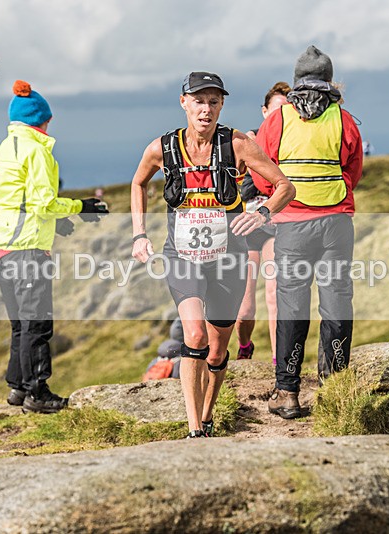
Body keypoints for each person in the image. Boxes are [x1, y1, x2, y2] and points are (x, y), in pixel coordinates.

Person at [131, 72, 295, 438]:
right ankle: (194, 430)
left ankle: (207, 414)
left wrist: (262, 213)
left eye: (214, 102)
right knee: (194, 335)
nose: (206, 109)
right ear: (184, 102)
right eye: (199, 101)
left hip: (228, 257)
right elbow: (138, 182)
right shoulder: (162, 148)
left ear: (222, 105)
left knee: (218, 350)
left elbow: (285, 185)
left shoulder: (237, 144)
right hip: (182, 255)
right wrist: (139, 234)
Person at [254, 46, 363, 419]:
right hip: (336, 224)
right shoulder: (344, 119)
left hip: (291, 227)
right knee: (336, 304)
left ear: (297, 81)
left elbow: (259, 169)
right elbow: (354, 171)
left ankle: (287, 394)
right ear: (330, 81)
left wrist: (278, 198)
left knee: (292, 307)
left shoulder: (278, 120)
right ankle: (334, 393)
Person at [0, 81, 108, 414]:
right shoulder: (37, 150)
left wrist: (58, 222)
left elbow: (17, 201)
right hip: (28, 249)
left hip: (1, 247)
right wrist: (80, 207)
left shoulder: (2, 151)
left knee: (20, 323)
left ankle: (17, 386)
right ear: (40, 120)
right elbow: (42, 203)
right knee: (37, 323)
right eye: (48, 120)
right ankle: (37, 394)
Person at [235, 81, 291, 363]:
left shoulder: (294, 143)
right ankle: (245, 346)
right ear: (264, 110)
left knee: (274, 294)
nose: (281, 115)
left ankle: (277, 363)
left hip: (275, 228)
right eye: (276, 109)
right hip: (246, 228)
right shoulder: (247, 141)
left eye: (287, 109)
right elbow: (236, 187)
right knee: (244, 310)